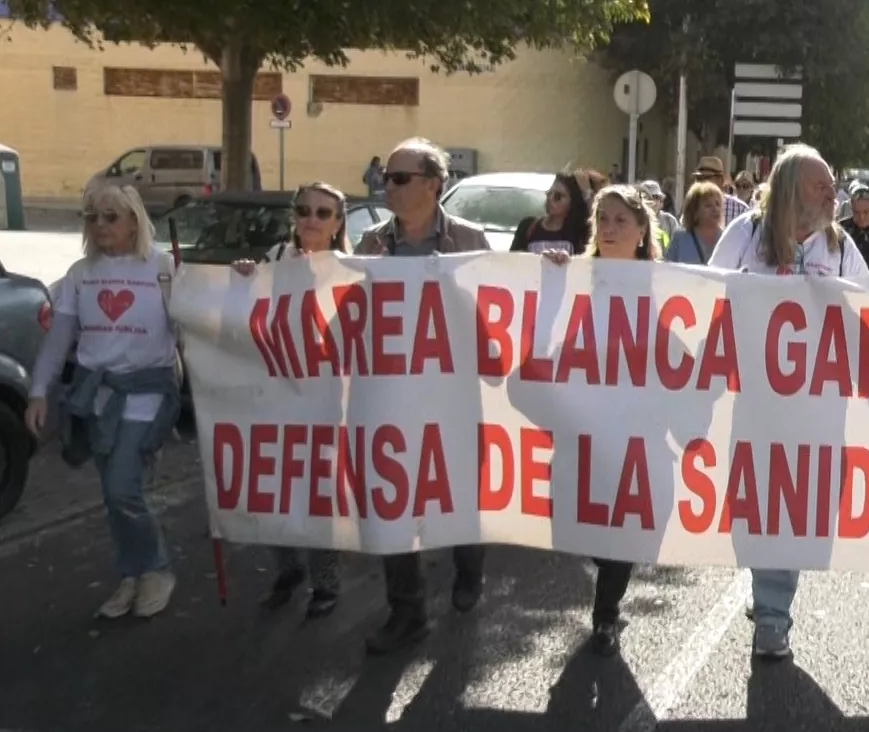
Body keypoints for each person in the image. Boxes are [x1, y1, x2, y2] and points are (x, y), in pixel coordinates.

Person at [709, 144, 869, 658]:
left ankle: (772, 605)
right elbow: (702, 295)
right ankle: (770, 598)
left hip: (820, 406)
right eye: (822, 184)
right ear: (790, 186)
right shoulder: (746, 236)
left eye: (832, 185)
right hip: (756, 401)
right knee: (754, 502)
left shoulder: (839, 245)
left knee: (803, 507)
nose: (832, 194)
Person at [353, 138, 491, 654]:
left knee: (458, 492)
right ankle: (406, 611)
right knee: (393, 503)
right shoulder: (369, 245)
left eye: (399, 178)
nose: (386, 186)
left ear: (433, 185)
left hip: (453, 396)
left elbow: (496, 314)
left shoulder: (470, 240)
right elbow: (338, 309)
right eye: (386, 178)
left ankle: (469, 563)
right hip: (389, 397)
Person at [28, 185, 182, 619]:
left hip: (146, 395)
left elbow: (192, 325)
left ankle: (157, 569)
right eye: (92, 217)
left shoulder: (164, 268)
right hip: (96, 398)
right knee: (113, 495)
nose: (100, 225)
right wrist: (38, 391)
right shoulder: (81, 274)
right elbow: (59, 340)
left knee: (121, 488)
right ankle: (131, 574)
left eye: (111, 217)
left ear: (134, 221)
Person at [535, 186, 660, 655]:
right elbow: (544, 334)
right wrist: (551, 280)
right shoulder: (576, 277)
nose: (609, 229)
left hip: (638, 431)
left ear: (642, 231)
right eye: (602, 220)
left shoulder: (667, 285)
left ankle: (606, 613)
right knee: (573, 516)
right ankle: (606, 575)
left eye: (621, 221)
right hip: (581, 426)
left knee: (626, 528)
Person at [232, 183, 355, 618]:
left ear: (338, 223)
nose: (312, 220)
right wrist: (243, 280)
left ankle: (326, 583)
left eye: (324, 213)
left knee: (319, 493)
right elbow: (246, 313)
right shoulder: (274, 260)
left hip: (324, 397)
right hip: (276, 393)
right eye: (304, 210)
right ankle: (287, 569)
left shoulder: (348, 269)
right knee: (273, 487)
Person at [511, 170, 597, 256]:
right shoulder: (528, 227)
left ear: (572, 201)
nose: (550, 198)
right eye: (549, 193)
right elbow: (513, 261)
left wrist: (587, 193)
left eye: (558, 196)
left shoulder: (579, 233)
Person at [666, 181, 726, 265]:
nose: (715, 209)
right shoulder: (680, 237)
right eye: (708, 205)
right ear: (695, 210)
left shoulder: (727, 239)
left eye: (717, 204)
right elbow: (666, 270)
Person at [693, 156, 751, 224]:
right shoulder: (691, 206)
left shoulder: (740, 209)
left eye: (707, 178)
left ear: (721, 180)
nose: (702, 183)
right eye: (699, 178)